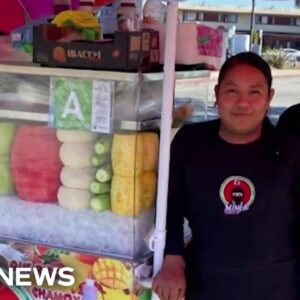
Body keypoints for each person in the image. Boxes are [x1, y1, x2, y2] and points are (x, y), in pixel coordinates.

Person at [153, 52, 300, 300]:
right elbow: (171, 206)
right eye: (232, 91)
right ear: (217, 93)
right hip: (205, 284)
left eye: (254, 92)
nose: (243, 103)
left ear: (269, 99)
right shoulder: (190, 143)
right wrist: (173, 259)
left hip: (277, 287)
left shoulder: (290, 150)